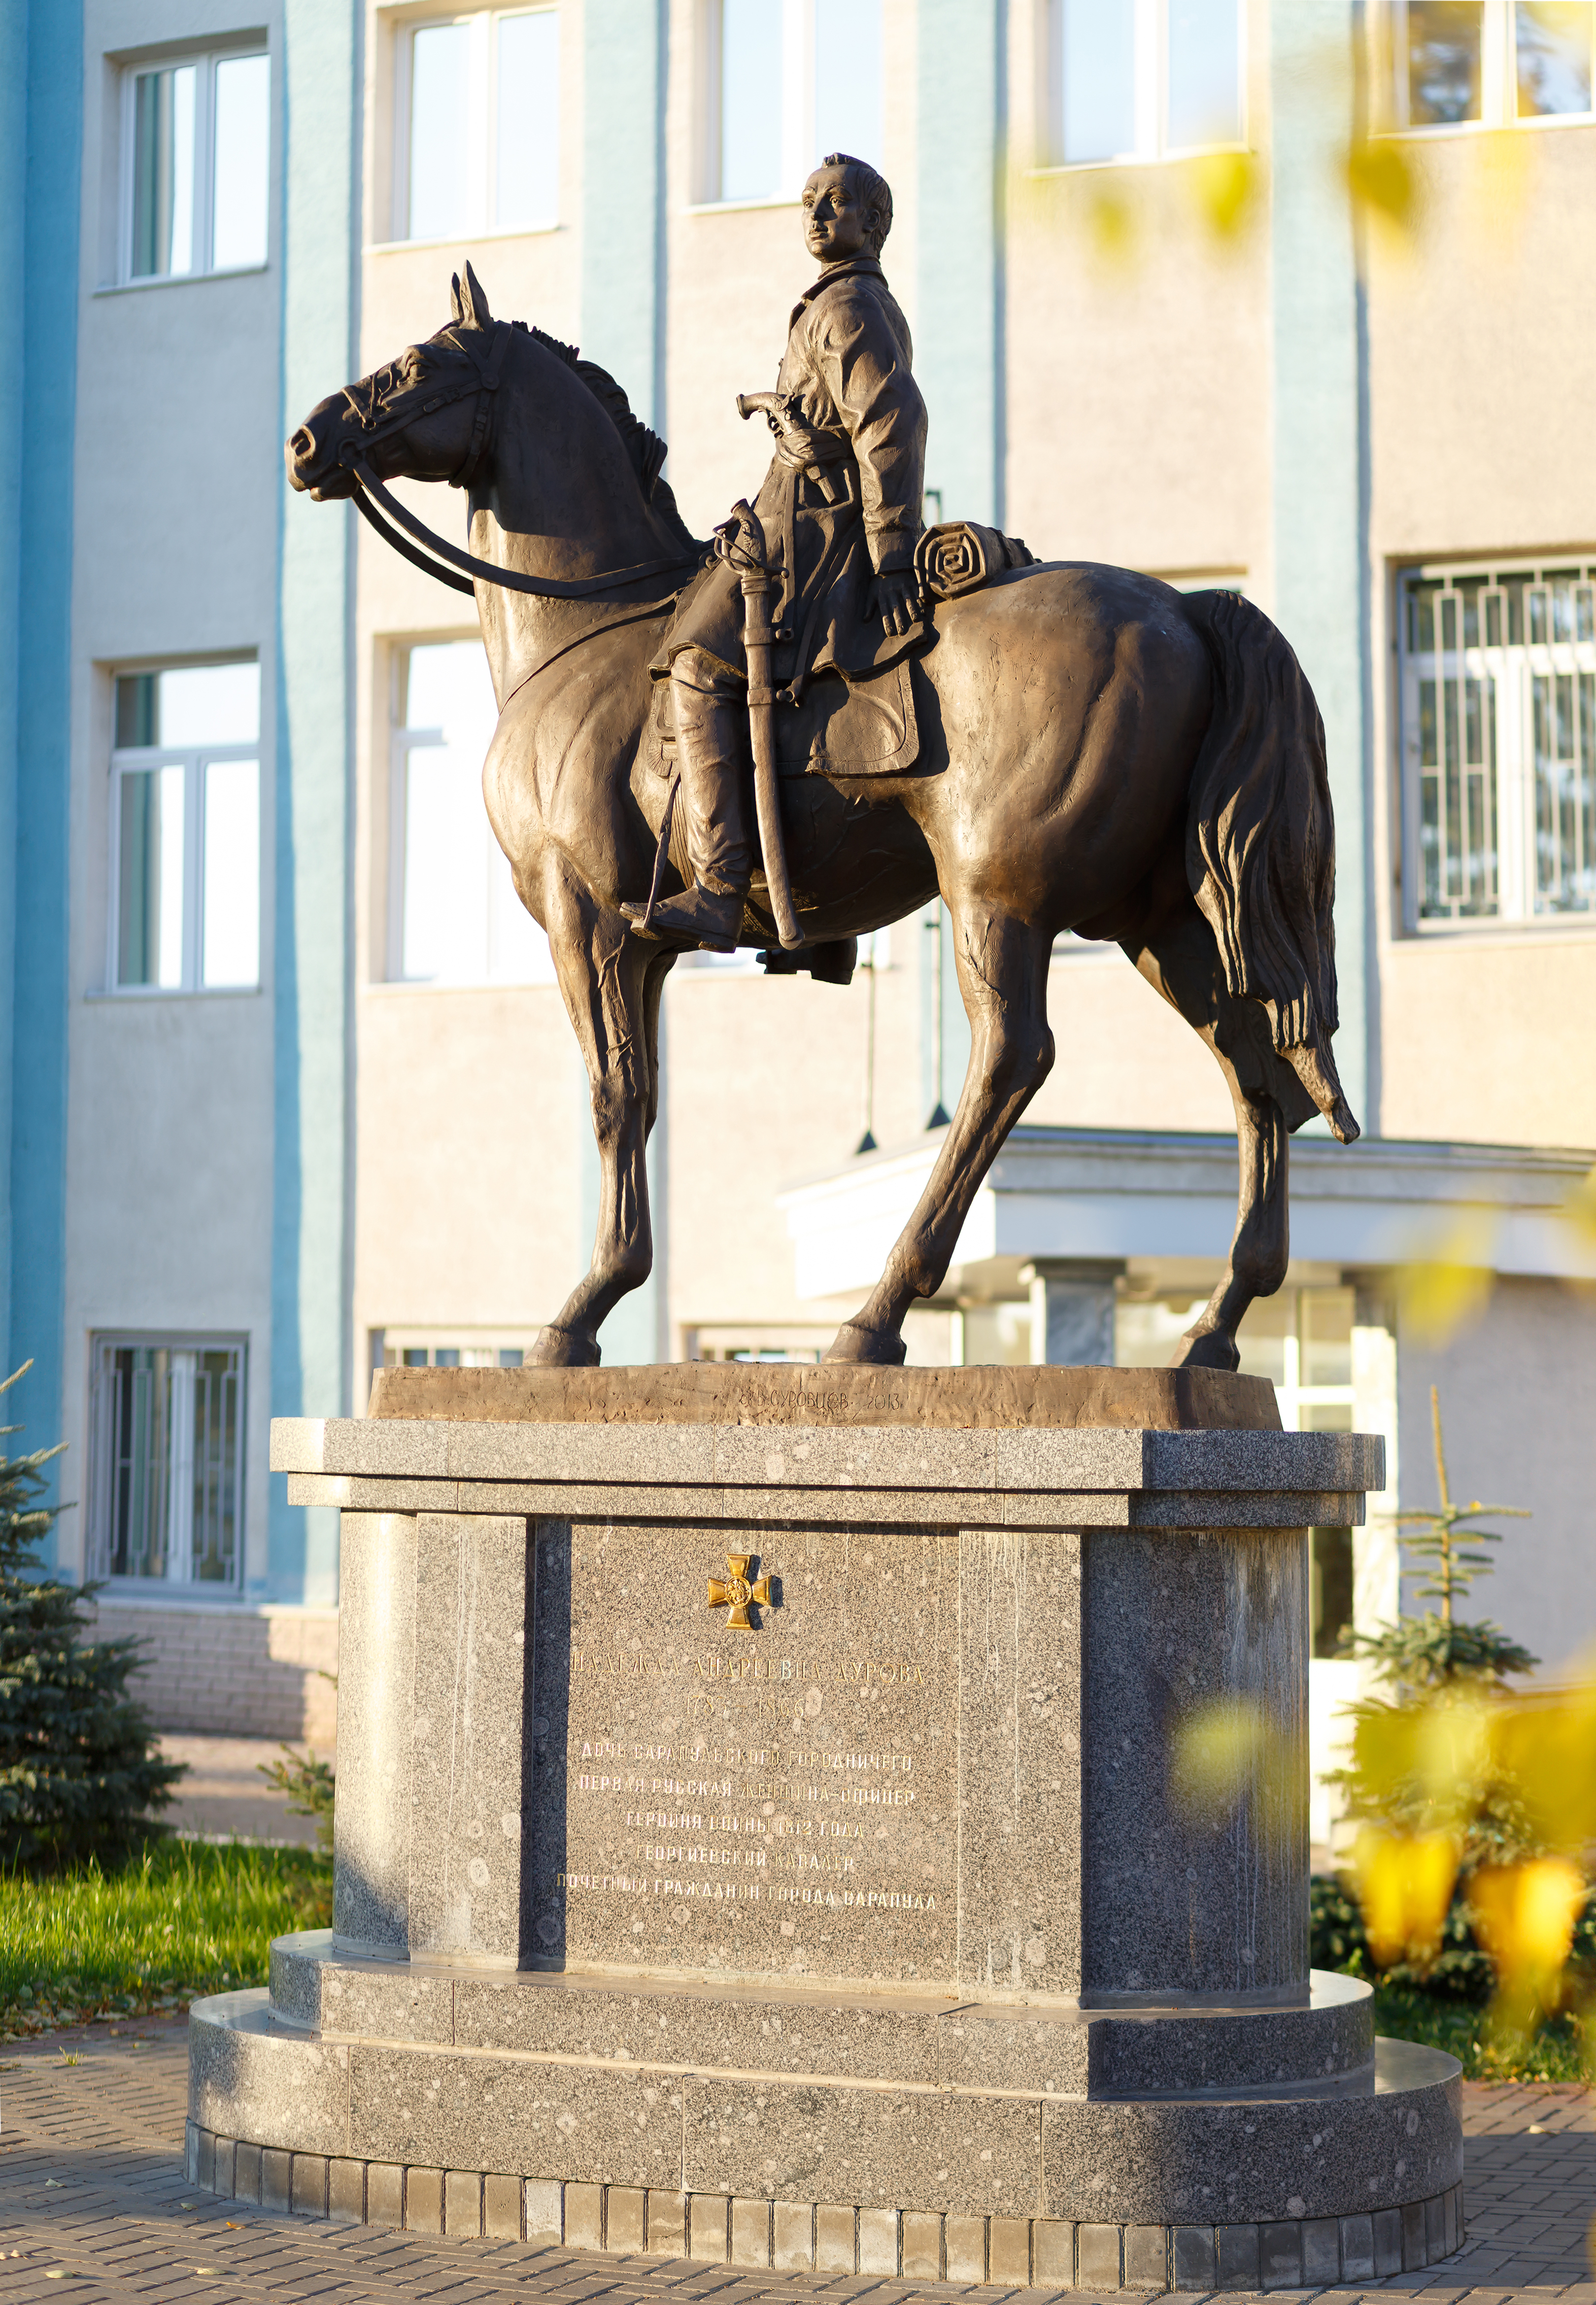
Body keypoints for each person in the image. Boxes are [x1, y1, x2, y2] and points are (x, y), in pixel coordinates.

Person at [622, 152, 928, 951]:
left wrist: (893, 554)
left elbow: (891, 422)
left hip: (816, 531)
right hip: (790, 513)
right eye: (809, 203)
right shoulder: (832, 303)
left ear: (875, 223)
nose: (819, 216)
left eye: (837, 204)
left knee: (694, 657)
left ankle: (721, 887)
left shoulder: (849, 306)